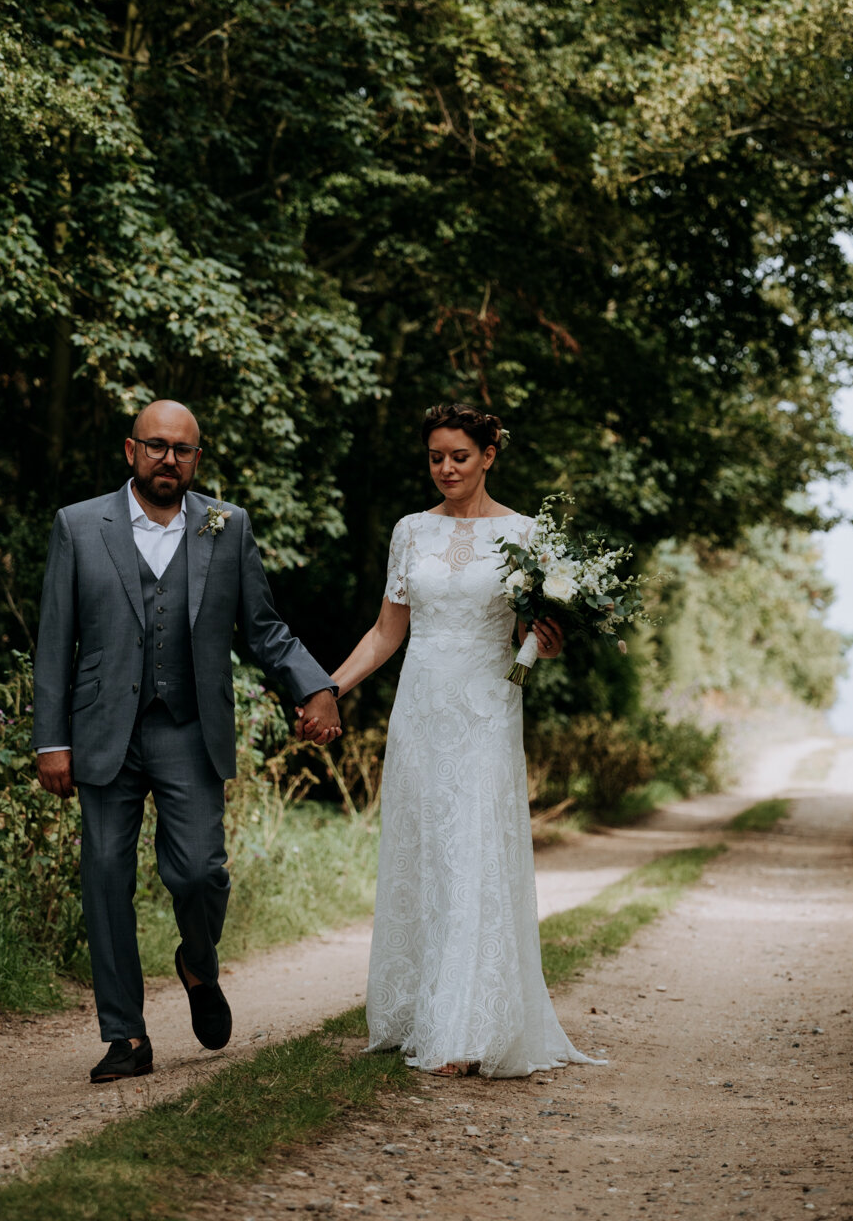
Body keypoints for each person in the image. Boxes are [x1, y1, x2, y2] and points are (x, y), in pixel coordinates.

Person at [34, 400, 341, 1081]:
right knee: (106, 878)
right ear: (130, 450)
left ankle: (197, 964)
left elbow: (262, 628)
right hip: (101, 731)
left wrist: (314, 686)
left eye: (182, 449)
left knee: (200, 871)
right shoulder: (80, 526)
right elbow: (54, 639)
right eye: (155, 445)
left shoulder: (224, 526)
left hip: (187, 729)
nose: (167, 458)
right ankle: (126, 1038)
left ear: (196, 459)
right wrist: (49, 740)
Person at [327, 401, 596, 1079]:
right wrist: (329, 688)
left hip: (485, 706)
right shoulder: (410, 532)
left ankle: (469, 1029)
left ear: (488, 455)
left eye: (459, 456)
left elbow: (528, 636)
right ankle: (421, 1010)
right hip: (419, 706)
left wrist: (543, 644)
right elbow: (387, 632)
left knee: (471, 848)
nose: (445, 468)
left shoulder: (526, 533)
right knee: (424, 849)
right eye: (435, 457)